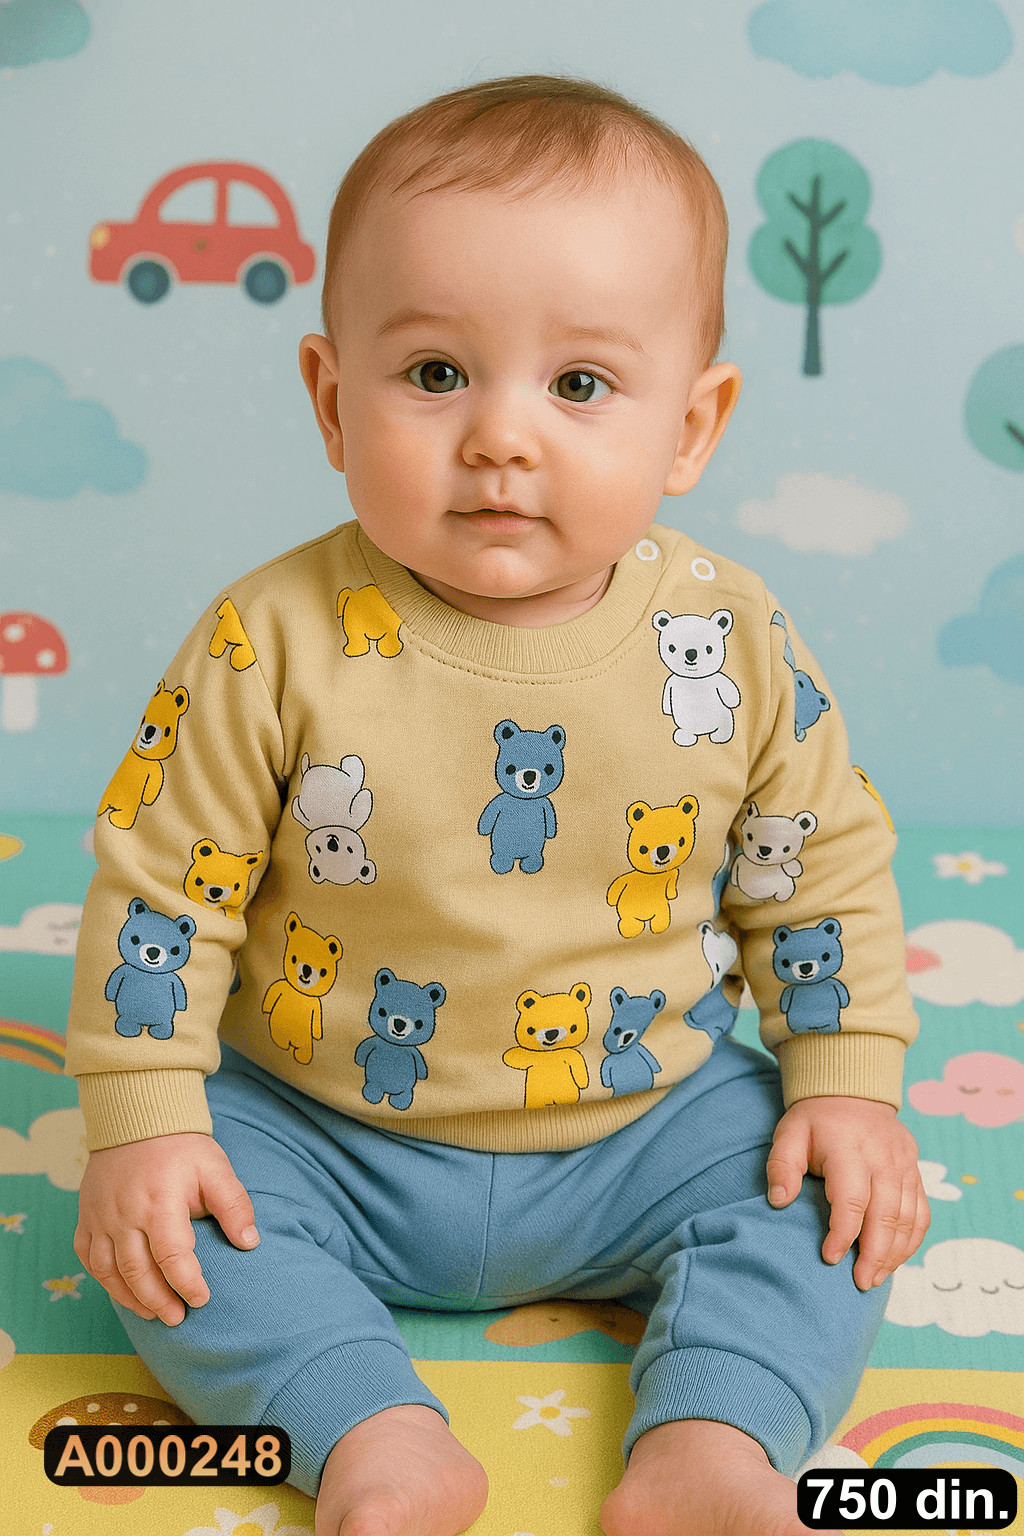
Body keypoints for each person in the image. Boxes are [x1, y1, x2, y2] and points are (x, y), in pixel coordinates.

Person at [66, 73, 930, 1536]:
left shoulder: (730, 637)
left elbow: (817, 870)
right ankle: (372, 1431)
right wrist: (145, 1121)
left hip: (647, 1122)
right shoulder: (267, 639)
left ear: (692, 425)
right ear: (332, 401)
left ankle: (711, 1446)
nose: (501, 439)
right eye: (435, 373)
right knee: (166, 1236)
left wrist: (847, 1079)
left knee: (832, 1205)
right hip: (319, 1124)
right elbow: (162, 888)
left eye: (579, 385)